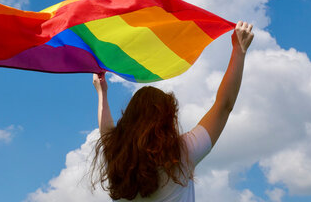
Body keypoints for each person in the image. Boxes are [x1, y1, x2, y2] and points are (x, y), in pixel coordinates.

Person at [91, 21, 254, 202]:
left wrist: (102, 93)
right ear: (168, 120)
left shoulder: (116, 157)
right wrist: (239, 50)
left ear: (129, 119)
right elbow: (224, 105)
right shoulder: (182, 153)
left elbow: (105, 128)